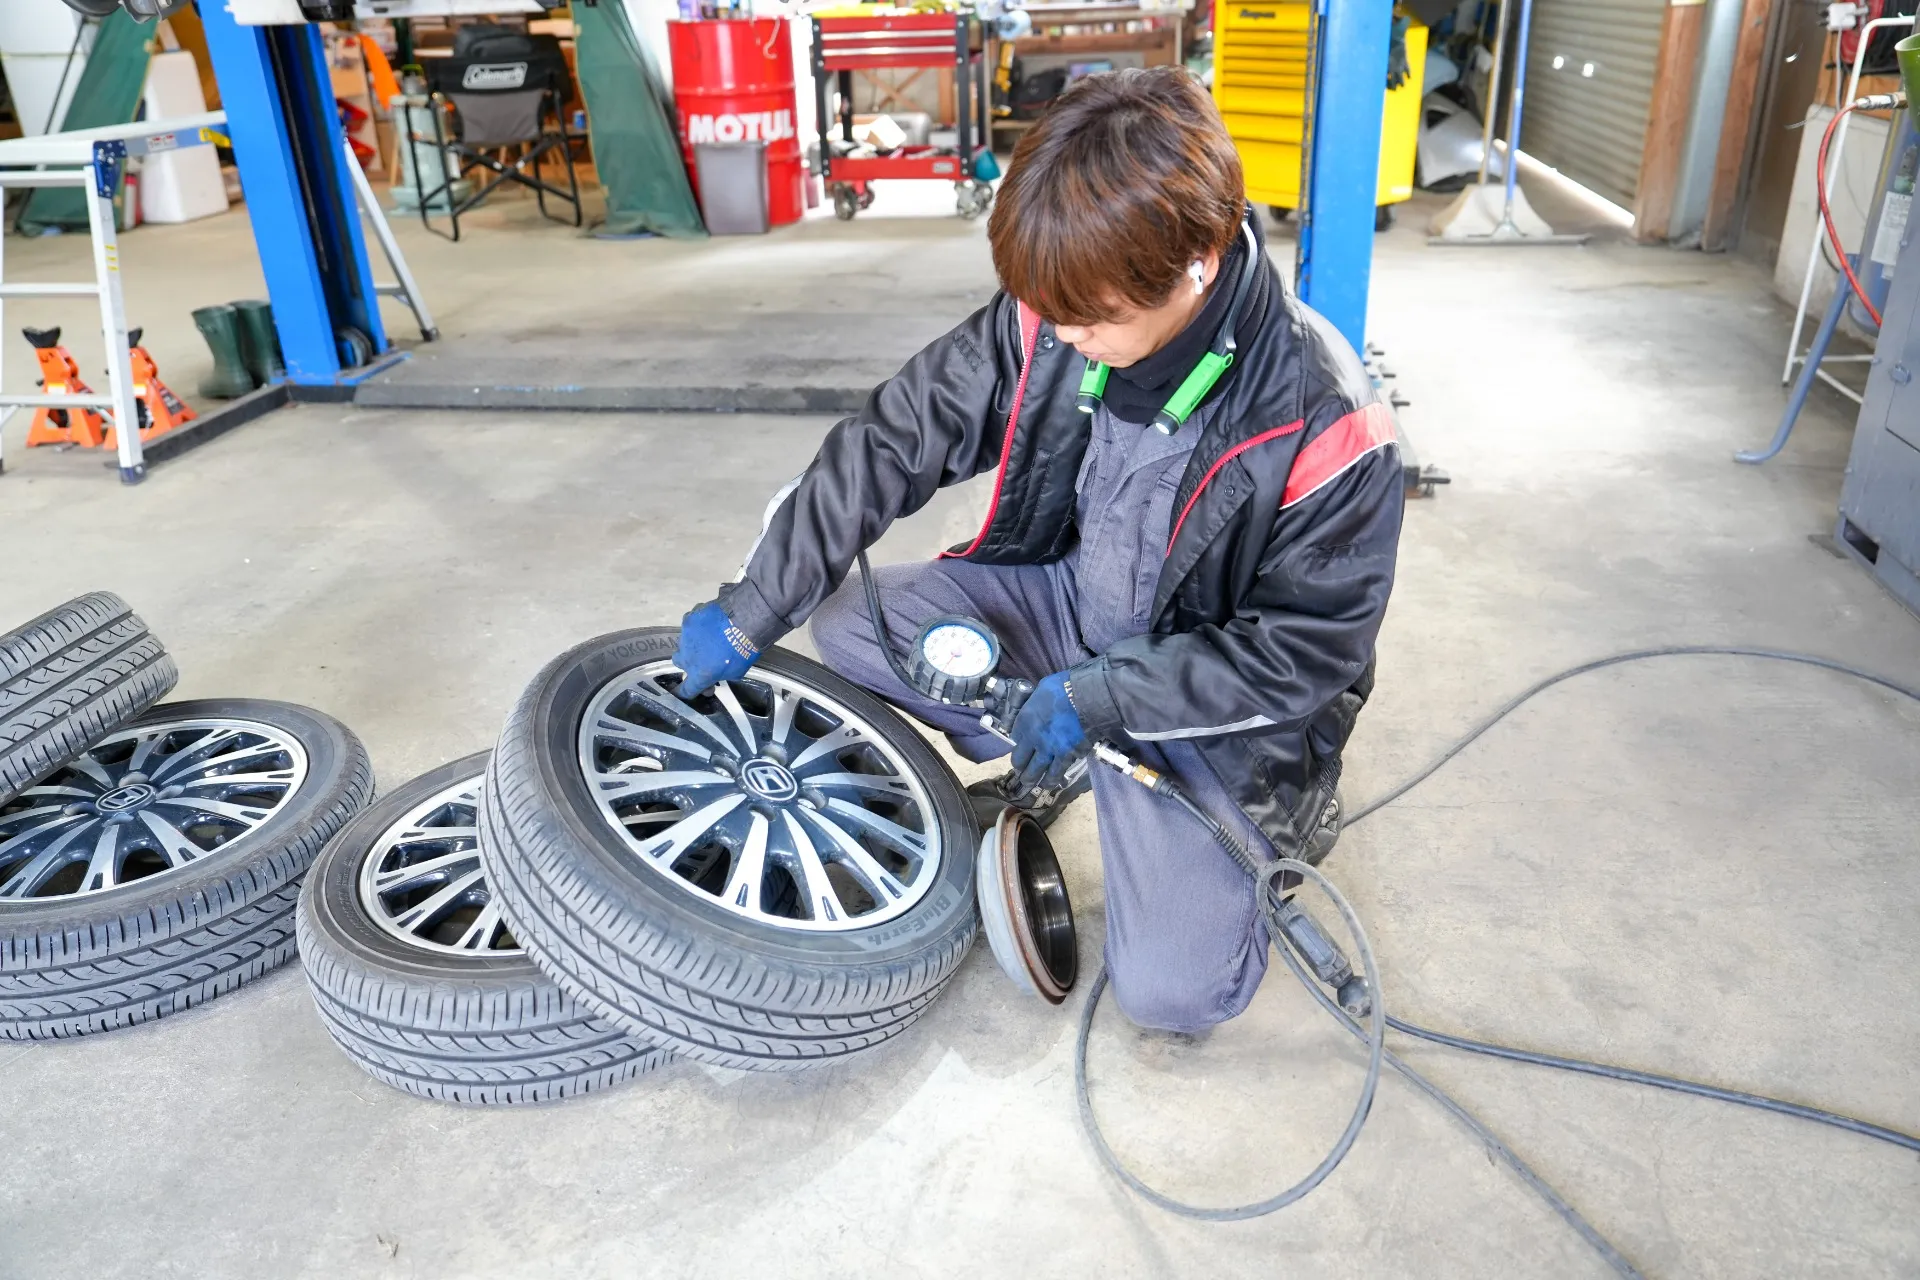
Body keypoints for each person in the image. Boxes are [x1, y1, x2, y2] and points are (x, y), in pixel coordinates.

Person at [673, 67, 1403, 1034]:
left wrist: (1106, 699)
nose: (1064, 336)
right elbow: (897, 437)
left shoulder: (1325, 419)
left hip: (1205, 709)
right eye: (1051, 311)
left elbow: (1306, 653)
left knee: (1173, 996)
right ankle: (1064, 750)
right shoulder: (1058, 310)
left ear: (1199, 261)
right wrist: (756, 600)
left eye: (1092, 319)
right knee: (849, 620)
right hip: (1071, 605)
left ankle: (1217, 806)